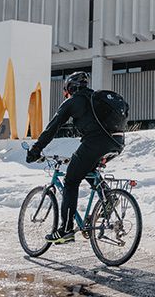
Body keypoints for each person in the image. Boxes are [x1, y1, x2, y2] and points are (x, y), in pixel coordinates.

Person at [26, 72, 124, 244]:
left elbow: (52, 128)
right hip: (117, 141)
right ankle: (108, 197)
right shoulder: (96, 98)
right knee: (86, 169)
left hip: (95, 142)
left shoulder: (73, 102)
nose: (67, 94)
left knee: (71, 181)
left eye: (66, 91)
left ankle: (66, 230)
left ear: (69, 88)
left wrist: (35, 150)